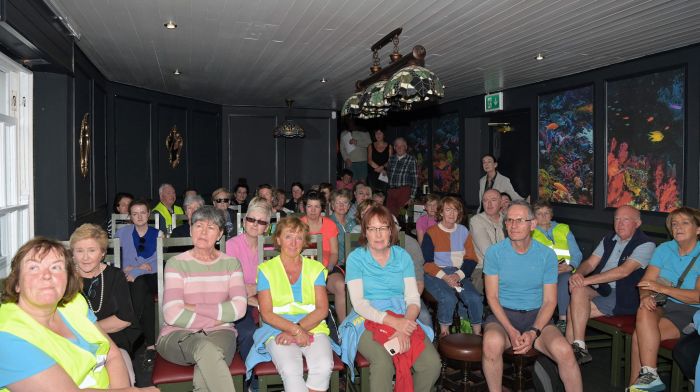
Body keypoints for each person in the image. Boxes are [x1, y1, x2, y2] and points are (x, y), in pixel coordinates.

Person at [0, 237, 157, 391]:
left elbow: (112, 354)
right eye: (34, 268)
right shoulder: (6, 335)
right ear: (16, 284)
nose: (47, 275)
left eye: (56, 267)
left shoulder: (74, 304)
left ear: (68, 279)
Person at [482, 201, 582, 392]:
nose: (513, 225)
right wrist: (511, 331)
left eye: (520, 220)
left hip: (537, 317)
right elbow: (492, 298)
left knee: (565, 351)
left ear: (532, 224)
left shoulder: (546, 255)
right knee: (491, 343)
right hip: (503, 316)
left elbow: (550, 301)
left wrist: (533, 331)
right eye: (509, 220)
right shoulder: (495, 253)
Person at [339, 205, 441, 391]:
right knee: (383, 364)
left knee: (432, 365)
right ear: (365, 232)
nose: (378, 234)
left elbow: (412, 298)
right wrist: (394, 323)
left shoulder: (402, 257)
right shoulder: (356, 258)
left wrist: (405, 326)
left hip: (403, 315)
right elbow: (360, 304)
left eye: (383, 228)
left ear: (391, 231)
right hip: (367, 317)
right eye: (372, 228)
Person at [157, 206, 247, 392]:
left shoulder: (231, 264)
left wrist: (193, 307)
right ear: (190, 230)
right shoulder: (176, 264)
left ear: (220, 234)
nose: (203, 232)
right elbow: (172, 315)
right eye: (198, 226)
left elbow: (239, 309)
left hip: (221, 333)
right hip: (177, 334)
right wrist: (218, 317)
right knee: (204, 348)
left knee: (205, 370)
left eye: (211, 227)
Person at [246, 216, 336, 392]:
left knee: (324, 365)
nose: (294, 243)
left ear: (305, 242)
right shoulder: (266, 270)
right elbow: (266, 313)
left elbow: (322, 309)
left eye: (299, 237)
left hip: (313, 326)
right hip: (277, 329)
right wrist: (295, 330)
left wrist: (299, 328)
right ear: (278, 239)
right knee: (290, 369)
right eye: (288, 236)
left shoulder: (316, 268)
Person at [566, 205, 655, 364]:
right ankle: (578, 346)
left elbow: (623, 272)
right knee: (577, 292)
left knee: (572, 309)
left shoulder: (646, 244)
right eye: (617, 219)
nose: (620, 224)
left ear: (637, 223)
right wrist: (578, 274)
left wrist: (586, 280)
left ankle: (569, 355)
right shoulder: (609, 239)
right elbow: (591, 264)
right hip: (602, 288)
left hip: (624, 294)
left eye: (625, 220)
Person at [627, 207, 700, 391]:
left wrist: (661, 288)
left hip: (689, 311)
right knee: (644, 308)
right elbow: (646, 282)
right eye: (674, 224)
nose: (678, 228)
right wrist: (645, 296)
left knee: (639, 336)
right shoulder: (664, 249)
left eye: (685, 223)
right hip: (663, 303)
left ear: (698, 229)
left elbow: (697, 297)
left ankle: (637, 385)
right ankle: (649, 374)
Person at [71, 224, 141, 385]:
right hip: (76, 344)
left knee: (126, 378)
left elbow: (124, 319)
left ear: (102, 253)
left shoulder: (115, 276)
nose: (85, 257)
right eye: (79, 251)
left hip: (114, 341)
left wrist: (84, 331)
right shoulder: (65, 279)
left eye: (92, 250)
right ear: (73, 254)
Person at [422, 196, 483, 336]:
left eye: (455, 210)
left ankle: (477, 334)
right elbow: (427, 263)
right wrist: (445, 277)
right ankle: (444, 333)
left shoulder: (463, 231)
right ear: (441, 212)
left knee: (474, 298)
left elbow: (471, 258)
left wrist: (457, 275)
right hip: (436, 274)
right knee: (448, 298)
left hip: (458, 273)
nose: (452, 213)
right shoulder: (431, 233)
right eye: (448, 209)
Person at [225, 198, 273, 360]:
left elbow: (276, 282)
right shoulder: (232, 245)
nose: (254, 224)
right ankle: (253, 381)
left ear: (267, 227)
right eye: (251, 219)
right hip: (240, 304)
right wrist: (257, 294)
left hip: (266, 301)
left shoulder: (271, 248)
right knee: (249, 333)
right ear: (244, 221)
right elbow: (231, 288)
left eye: (260, 222)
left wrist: (255, 288)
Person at [531, 200, 583, 333]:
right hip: (543, 273)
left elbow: (576, 253)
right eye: (539, 213)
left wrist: (571, 266)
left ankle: (563, 320)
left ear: (551, 215)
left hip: (565, 270)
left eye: (546, 213)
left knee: (565, 279)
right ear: (534, 216)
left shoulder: (563, 229)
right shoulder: (530, 233)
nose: (543, 216)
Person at [301, 191, 345, 322]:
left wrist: (328, 268)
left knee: (341, 285)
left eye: (317, 206)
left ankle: (343, 329)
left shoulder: (330, 224)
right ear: (304, 207)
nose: (313, 210)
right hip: (304, 270)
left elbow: (334, 253)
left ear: (322, 208)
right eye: (309, 206)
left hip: (328, 268)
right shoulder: (298, 225)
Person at [469, 189, 505, 294]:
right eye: (485, 200)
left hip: (507, 267)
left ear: (501, 203)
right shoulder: (476, 221)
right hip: (483, 269)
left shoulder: (508, 220)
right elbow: (488, 252)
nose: (489, 204)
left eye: (493, 200)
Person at [385, 137, 417, 216]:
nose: (399, 148)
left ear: (405, 147)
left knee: (404, 214)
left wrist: (412, 197)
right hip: (391, 192)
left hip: (404, 192)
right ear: (394, 148)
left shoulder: (411, 159)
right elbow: (388, 175)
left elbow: (415, 179)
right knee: (390, 216)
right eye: (397, 146)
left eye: (401, 145)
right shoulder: (391, 159)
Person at [328, 189, 355, 269]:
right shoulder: (328, 223)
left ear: (349, 206)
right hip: (335, 265)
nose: (341, 205)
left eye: (345, 202)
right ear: (333, 206)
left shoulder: (353, 223)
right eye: (338, 202)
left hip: (354, 263)